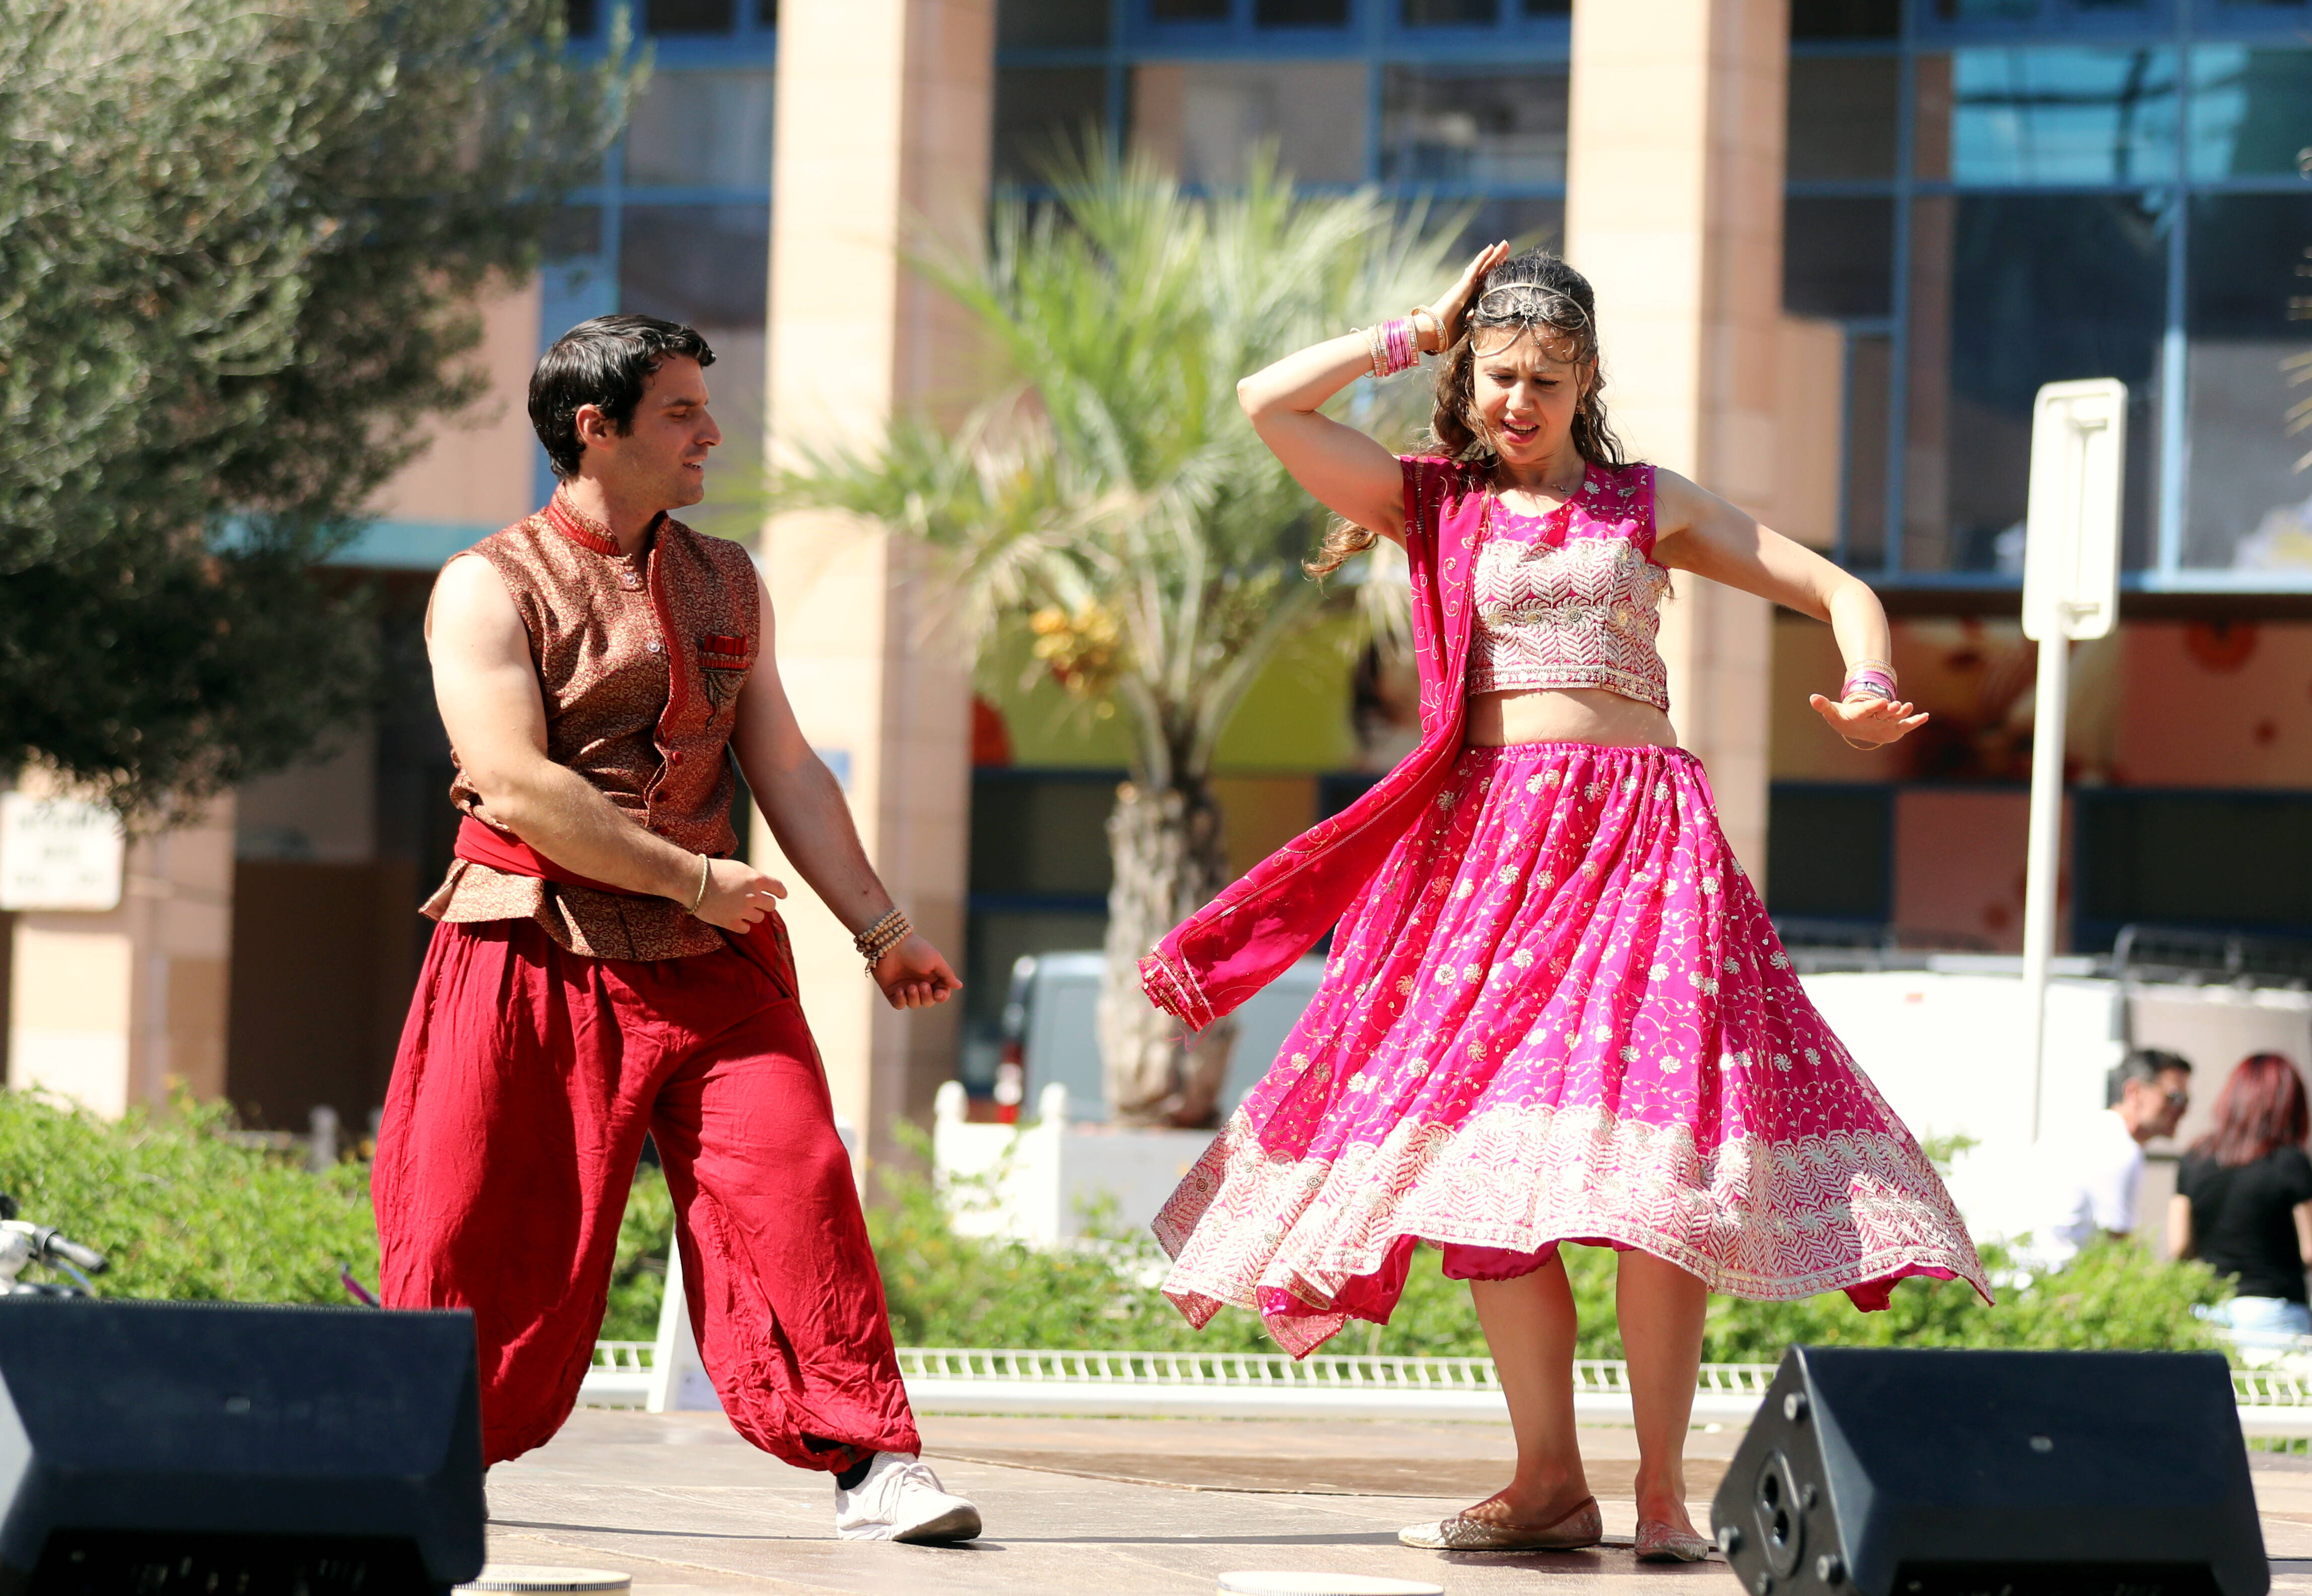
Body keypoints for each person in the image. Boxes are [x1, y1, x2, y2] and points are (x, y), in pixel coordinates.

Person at [1140, 246, 1988, 1563]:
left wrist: (1869, 678)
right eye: (1495, 375)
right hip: (1488, 858)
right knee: (1478, 1168)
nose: (1518, 400)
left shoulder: (1645, 505)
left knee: (1665, 1159)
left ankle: (1659, 1487)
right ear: (1465, 377)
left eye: (1544, 376)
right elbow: (1268, 402)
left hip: (1646, 845)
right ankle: (1547, 1476)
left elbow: (1837, 589)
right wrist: (1407, 330)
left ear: (1586, 373)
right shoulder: (1431, 502)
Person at [372, 314, 981, 1544]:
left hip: (712, 963)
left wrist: (881, 929)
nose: (711, 432)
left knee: (797, 1182)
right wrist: (692, 880)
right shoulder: (485, 584)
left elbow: (790, 769)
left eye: (707, 407)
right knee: (473, 1219)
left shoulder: (726, 575)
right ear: (594, 429)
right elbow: (511, 780)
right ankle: (426, 1458)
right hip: (527, 944)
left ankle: (873, 1461)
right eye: (682, 412)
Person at [2172, 1052, 2312, 1344]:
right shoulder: (2289, 1162)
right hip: (2274, 1312)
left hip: (2209, 1310)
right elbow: (2310, 1250)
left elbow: (2180, 1246)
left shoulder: (2194, 1158)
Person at [2022, 1048, 2192, 1267]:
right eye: (2175, 1097)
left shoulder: (2091, 1130)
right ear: (2134, 1092)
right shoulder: (2120, 1148)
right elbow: (2119, 1252)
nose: (2183, 1110)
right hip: (2049, 1287)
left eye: (2187, 1100)